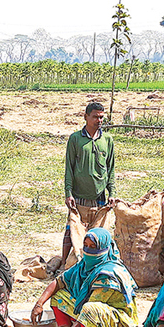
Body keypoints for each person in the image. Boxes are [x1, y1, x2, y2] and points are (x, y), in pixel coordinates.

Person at [32, 228, 138, 327]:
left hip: (120, 324)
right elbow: (58, 282)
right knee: (59, 296)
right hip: (97, 316)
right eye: (86, 246)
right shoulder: (84, 264)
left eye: (93, 247)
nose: (88, 251)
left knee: (89, 309)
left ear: (104, 248)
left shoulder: (109, 274)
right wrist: (39, 304)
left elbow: (89, 311)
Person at [54, 102, 116, 273]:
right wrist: (68, 193)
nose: (99, 120)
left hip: (100, 198)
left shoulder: (107, 140)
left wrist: (112, 193)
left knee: (99, 235)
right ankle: (63, 266)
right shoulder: (75, 139)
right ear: (86, 117)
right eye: (95, 116)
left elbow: (111, 169)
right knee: (72, 231)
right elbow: (69, 168)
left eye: (102, 117)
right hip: (79, 196)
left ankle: (97, 266)